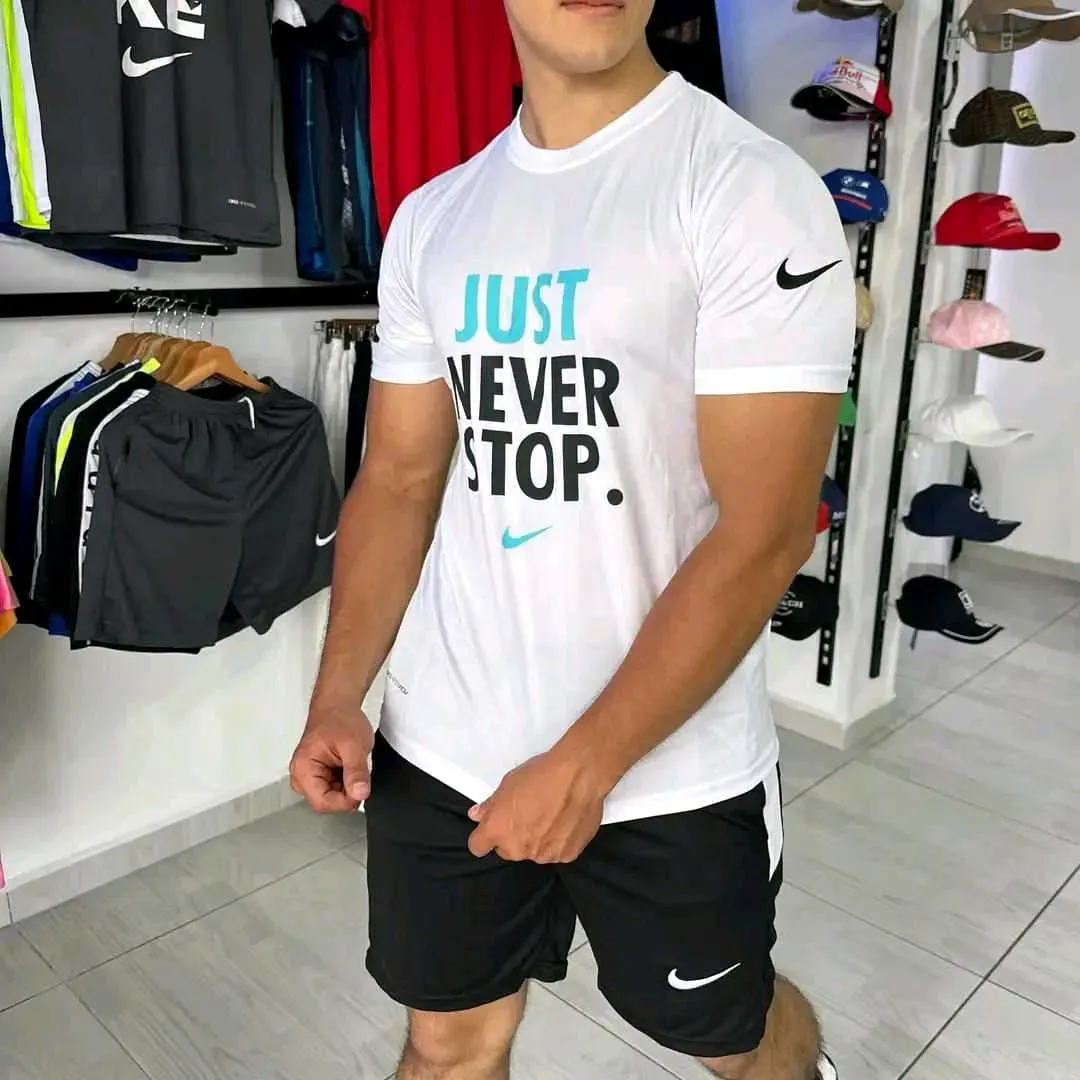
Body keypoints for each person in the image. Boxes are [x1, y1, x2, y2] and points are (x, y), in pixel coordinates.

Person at [289, 1, 855, 1077]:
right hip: (441, 746)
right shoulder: (434, 217)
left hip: (669, 768)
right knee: (447, 1044)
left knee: (731, 1041)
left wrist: (586, 766)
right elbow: (399, 479)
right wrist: (338, 695)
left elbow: (769, 530)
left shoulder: (749, 190)